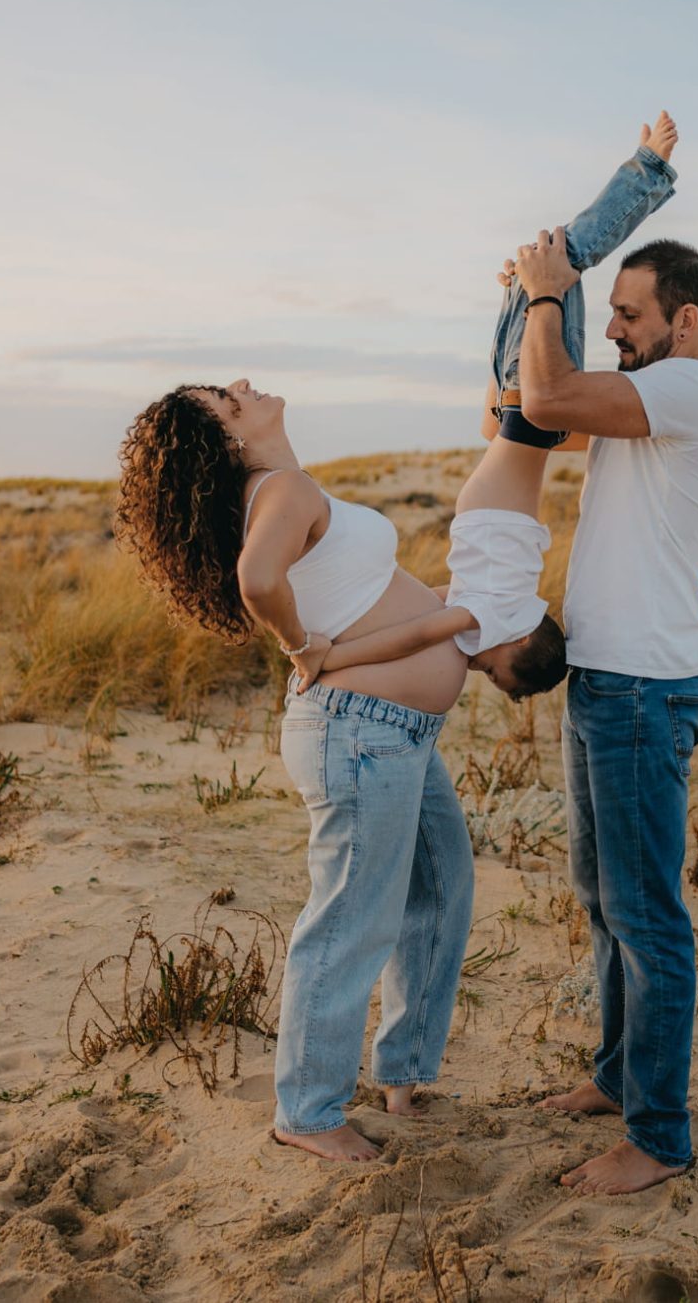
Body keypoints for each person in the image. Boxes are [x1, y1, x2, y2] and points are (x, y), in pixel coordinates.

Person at [112, 379, 471, 1164]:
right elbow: (259, 581)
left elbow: (347, 592)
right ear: (226, 439)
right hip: (361, 733)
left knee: (440, 883)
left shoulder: (284, 488)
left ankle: (404, 1071)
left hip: (393, 731)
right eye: (224, 397)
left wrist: (434, 607)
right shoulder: (282, 489)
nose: (243, 386)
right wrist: (301, 644)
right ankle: (306, 1110)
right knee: (350, 918)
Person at [291, 113, 681, 702]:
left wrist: (335, 628)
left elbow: (417, 610)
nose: (481, 672)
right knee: (563, 255)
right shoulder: (496, 614)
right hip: (528, 419)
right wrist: (327, 657)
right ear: (519, 641)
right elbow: (418, 632)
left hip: (511, 419)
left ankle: (592, 225)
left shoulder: (493, 603)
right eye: (497, 674)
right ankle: (649, 169)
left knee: (523, 275)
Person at [509, 223, 698, 1196]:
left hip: (644, 688)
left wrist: (546, 293)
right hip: (607, 681)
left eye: (628, 314)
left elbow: (548, 397)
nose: (612, 329)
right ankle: (616, 1078)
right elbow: (524, 412)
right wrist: (525, 309)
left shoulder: (690, 386)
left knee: (646, 916)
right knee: (605, 901)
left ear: (683, 322)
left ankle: (659, 1135)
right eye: (608, 313)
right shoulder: (643, 394)